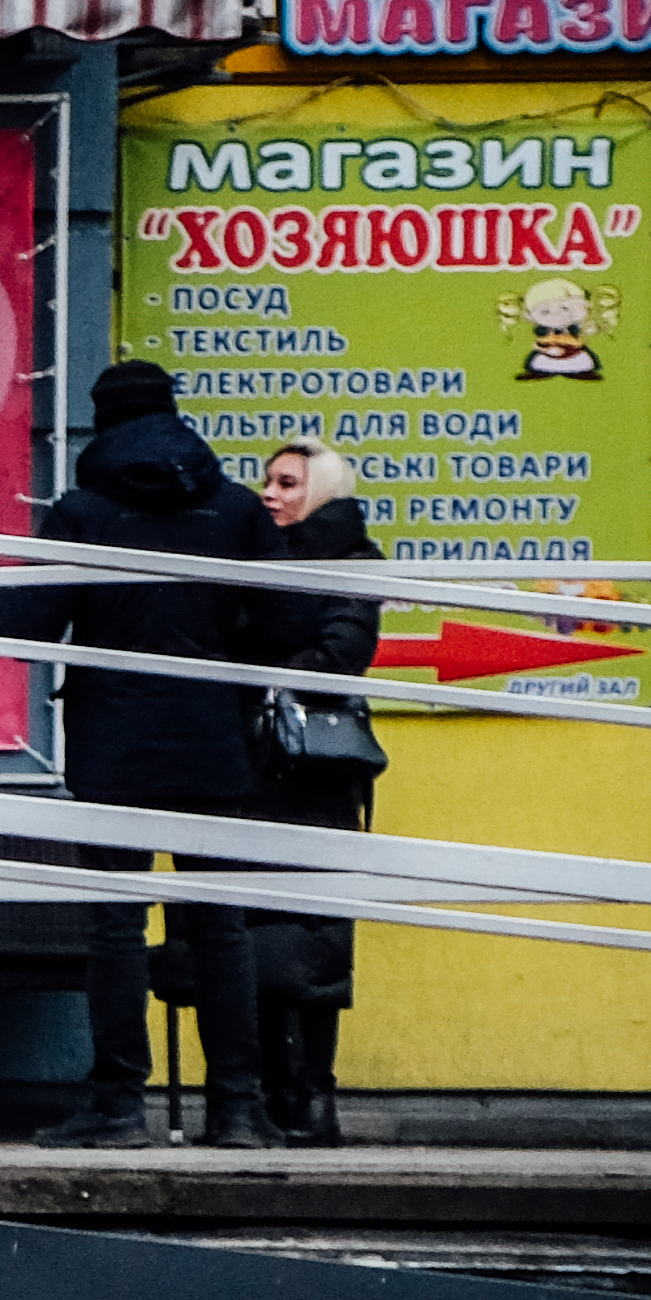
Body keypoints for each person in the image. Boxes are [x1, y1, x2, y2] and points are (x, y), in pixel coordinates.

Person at [0, 358, 284, 1147]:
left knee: (117, 925)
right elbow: (287, 625)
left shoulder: (84, 512)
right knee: (220, 928)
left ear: (101, 423)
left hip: (116, 745)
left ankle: (118, 1106)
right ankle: (239, 1110)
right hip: (213, 740)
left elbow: (28, 624)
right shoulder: (234, 509)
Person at [237, 439, 388, 1146]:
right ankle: (277, 1090)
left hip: (314, 775)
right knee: (256, 935)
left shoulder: (353, 563)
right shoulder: (253, 560)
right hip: (258, 769)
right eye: (267, 480)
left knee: (316, 941)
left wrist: (255, 671)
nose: (270, 492)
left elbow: (339, 658)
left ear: (321, 493)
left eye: (287, 483)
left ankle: (313, 1095)